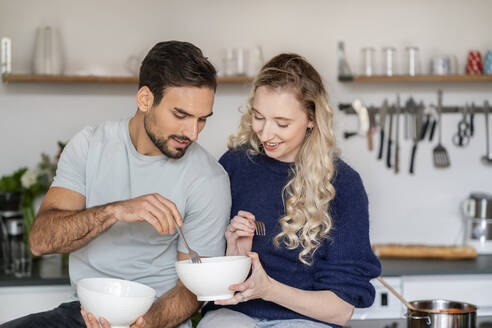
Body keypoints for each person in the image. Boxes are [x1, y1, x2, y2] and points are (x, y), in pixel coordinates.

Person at [1, 41, 231, 328]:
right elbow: (40, 241)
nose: (193, 133)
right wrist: (114, 212)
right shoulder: (89, 145)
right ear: (145, 99)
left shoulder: (208, 178)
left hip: (156, 320)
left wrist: (147, 322)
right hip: (84, 315)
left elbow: (193, 289)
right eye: (181, 115)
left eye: (202, 120)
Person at [199, 54, 381, 328]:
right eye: (258, 117)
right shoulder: (234, 165)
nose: (265, 133)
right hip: (233, 317)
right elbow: (208, 282)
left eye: (282, 123)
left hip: (304, 321)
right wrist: (232, 255)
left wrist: (269, 289)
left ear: (311, 118)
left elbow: (341, 311)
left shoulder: (344, 185)